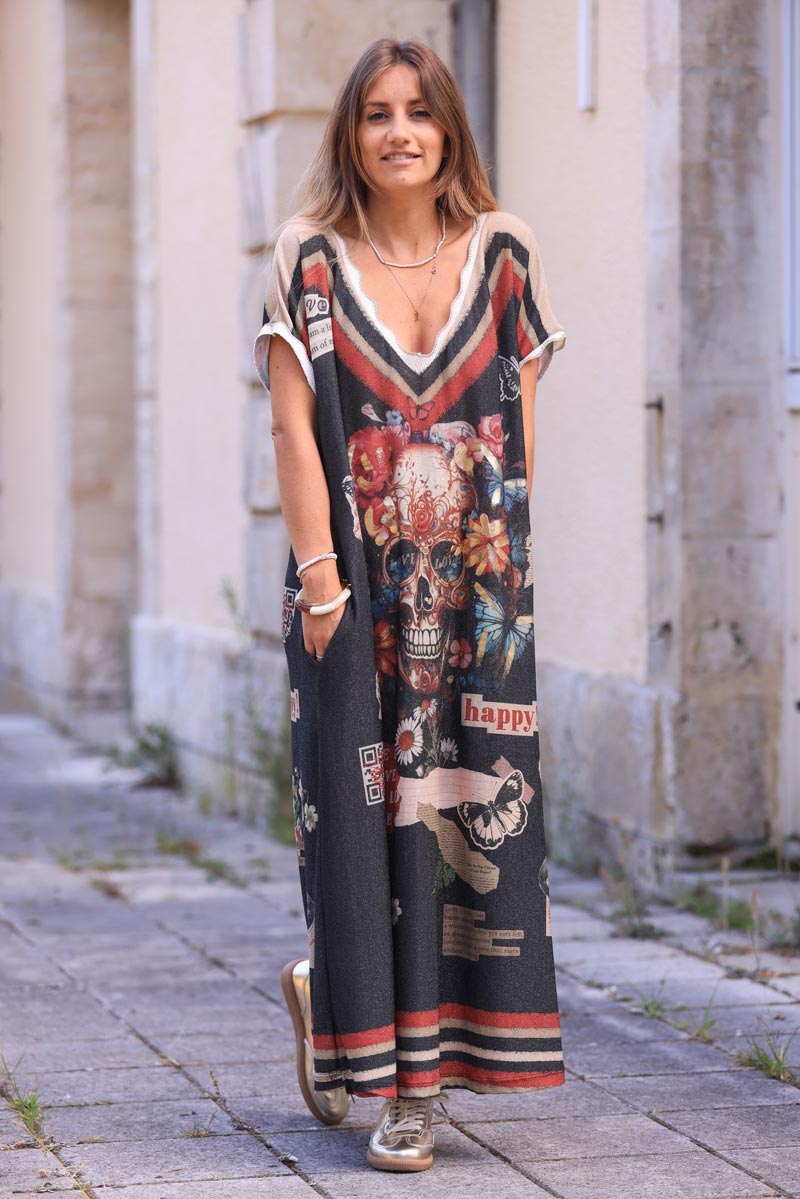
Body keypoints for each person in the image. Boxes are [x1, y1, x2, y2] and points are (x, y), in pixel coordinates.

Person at [254, 36, 567, 1174]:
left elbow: (519, 419)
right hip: (352, 588)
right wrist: (319, 578)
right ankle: (389, 1082)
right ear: (352, 132)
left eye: (418, 112)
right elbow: (293, 424)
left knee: (462, 825)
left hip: (480, 596)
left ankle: (401, 1057)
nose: (398, 131)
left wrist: (512, 579)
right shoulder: (308, 260)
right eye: (376, 112)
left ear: (448, 130)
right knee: (362, 821)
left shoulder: (506, 254)